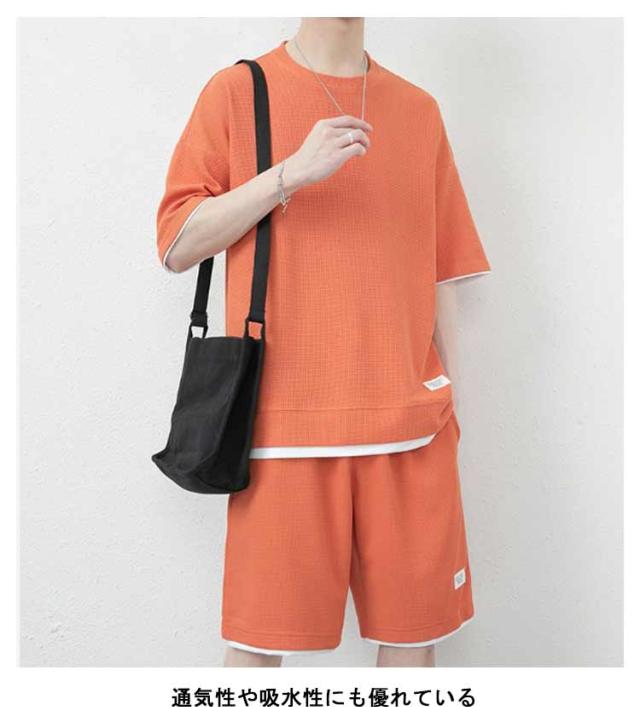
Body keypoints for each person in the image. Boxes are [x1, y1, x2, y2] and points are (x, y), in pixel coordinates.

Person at [156, 17, 491, 667]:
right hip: (284, 434)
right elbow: (176, 243)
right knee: (257, 653)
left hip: (411, 432)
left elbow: (440, 273)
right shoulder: (238, 92)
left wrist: (454, 412)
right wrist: (290, 173)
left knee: (412, 645)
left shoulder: (418, 110)